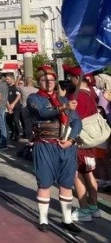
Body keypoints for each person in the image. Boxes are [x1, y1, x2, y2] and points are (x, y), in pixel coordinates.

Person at [27, 65, 81, 233]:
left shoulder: (65, 100)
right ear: (39, 81)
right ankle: (43, 220)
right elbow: (43, 113)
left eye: (51, 79)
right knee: (44, 183)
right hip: (45, 145)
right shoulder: (33, 98)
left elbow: (77, 122)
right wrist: (64, 108)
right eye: (44, 79)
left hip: (66, 147)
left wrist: (71, 141)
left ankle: (67, 219)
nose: (49, 82)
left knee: (66, 183)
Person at [62, 66, 102, 222]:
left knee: (76, 174)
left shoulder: (77, 96)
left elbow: (76, 119)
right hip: (91, 139)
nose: (69, 80)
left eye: (71, 77)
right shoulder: (91, 92)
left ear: (77, 79)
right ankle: (94, 207)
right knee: (89, 172)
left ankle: (84, 209)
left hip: (80, 140)